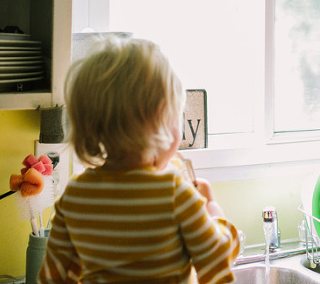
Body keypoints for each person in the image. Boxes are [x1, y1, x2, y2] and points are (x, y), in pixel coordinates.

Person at [38, 36, 240, 284]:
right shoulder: (175, 193)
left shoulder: (75, 196)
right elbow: (216, 259)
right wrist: (211, 206)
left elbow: (53, 277)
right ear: (162, 124)